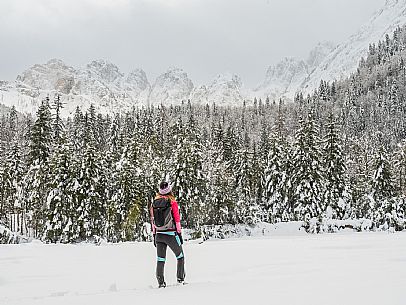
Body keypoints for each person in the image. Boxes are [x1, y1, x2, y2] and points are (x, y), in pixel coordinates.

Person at [150, 181, 185, 288]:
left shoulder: (154, 202)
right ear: (169, 190)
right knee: (180, 256)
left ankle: (161, 283)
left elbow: (152, 220)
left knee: (161, 259)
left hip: (159, 235)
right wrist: (179, 233)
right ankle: (180, 279)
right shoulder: (172, 202)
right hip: (171, 234)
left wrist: (155, 234)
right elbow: (177, 219)